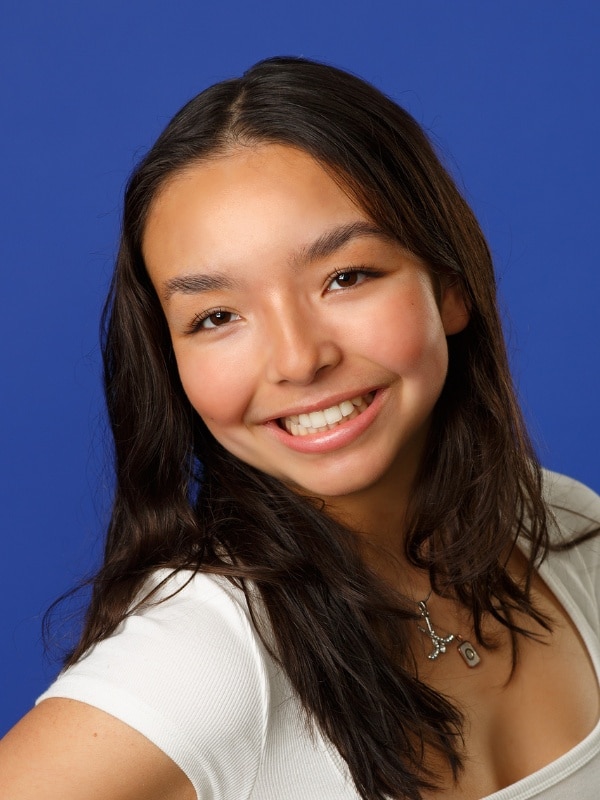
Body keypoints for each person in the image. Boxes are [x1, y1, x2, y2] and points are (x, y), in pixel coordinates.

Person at [1, 56, 599, 800]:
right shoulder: (209, 655)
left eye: (345, 277)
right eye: (217, 316)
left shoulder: (569, 533)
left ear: (449, 286)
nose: (298, 359)